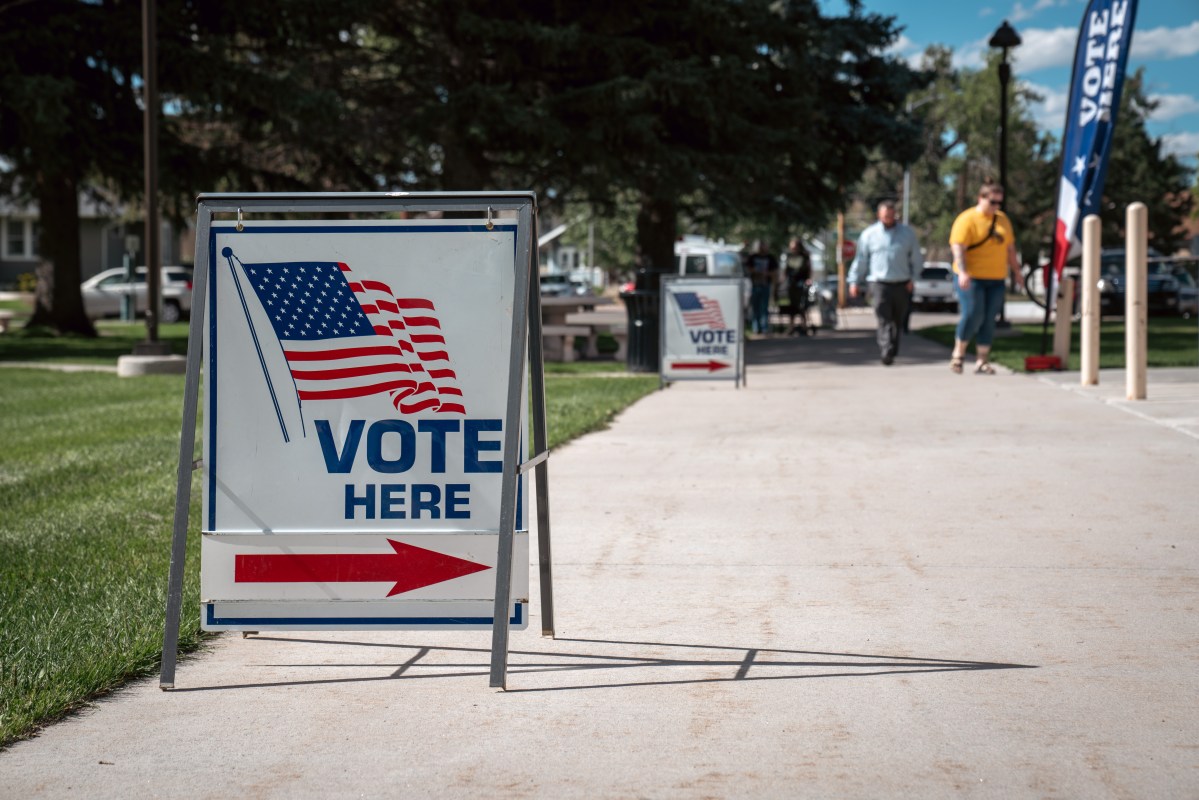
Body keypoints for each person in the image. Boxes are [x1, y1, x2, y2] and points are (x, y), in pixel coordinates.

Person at [948, 178, 1025, 374]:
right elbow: (958, 247)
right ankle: (959, 353)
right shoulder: (967, 219)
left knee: (989, 317)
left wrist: (1017, 272)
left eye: (999, 202)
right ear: (980, 198)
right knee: (973, 314)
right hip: (971, 277)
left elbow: (1010, 248)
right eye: (992, 202)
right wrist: (963, 271)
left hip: (996, 278)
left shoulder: (1002, 220)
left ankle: (982, 360)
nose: (996, 206)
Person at [847, 200, 922, 365]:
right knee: (883, 317)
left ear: (895, 214)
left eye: (890, 215)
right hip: (879, 283)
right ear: (879, 215)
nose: (888, 218)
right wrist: (854, 281)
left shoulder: (907, 234)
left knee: (897, 319)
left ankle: (892, 347)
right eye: (885, 216)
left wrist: (913, 279)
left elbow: (916, 258)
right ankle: (885, 349)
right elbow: (861, 260)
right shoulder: (869, 234)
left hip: (902, 283)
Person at [745, 240, 779, 335]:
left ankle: (764, 328)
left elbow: (774, 272)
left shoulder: (770, 258)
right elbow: (749, 269)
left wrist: (772, 281)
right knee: (755, 308)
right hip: (754, 285)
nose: (762, 248)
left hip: (765, 285)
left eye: (763, 246)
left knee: (764, 307)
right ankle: (756, 328)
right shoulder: (753, 257)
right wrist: (758, 272)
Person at [781, 238, 813, 336]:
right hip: (791, 283)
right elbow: (785, 270)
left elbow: (809, 269)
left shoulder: (804, 256)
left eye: (795, 247)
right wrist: (783, 280)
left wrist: (808, 279)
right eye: (792, 248)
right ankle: (791, 326)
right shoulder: (788, 256)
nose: (793, 249)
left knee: (802, 306)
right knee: (791, 306)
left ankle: (804, 326)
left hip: (801, 283)